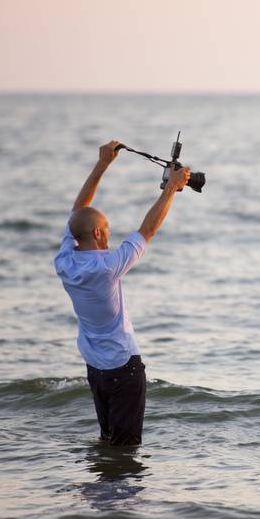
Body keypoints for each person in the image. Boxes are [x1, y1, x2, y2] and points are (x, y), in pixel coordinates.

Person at [54, 140, 191, 446]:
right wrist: (171, 188)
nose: (111, 236)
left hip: (96, 369)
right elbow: (148, 230)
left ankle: (102, 492)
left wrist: (102, 165)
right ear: (99, 234)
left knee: (107, 443)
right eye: (108, 230)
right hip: (122, 368)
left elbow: (77, 214)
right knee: (126, 451)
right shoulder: (107, 267)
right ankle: (117, 494)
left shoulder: (64, 261)